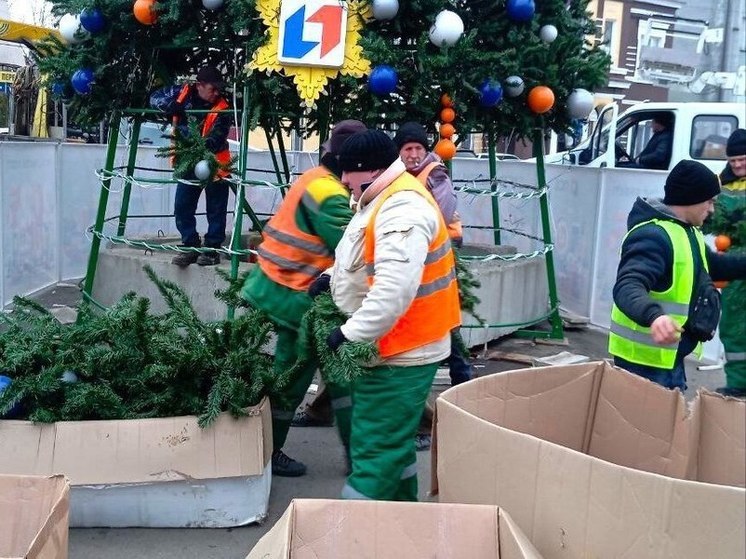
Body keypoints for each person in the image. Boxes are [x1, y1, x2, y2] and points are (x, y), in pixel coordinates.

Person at [324, 129, 461, 501]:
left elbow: (393, 291)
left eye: (346, 173)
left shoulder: (402, 208)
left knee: (374, 454)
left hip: (403, 350)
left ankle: (349, 535)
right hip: (398, 345)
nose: (342, 180)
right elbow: (362, 253)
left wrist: (349, 334)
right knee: (393, 451)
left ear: (366, 171)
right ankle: (403, 522)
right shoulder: (381, 197)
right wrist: (328, 280)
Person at [241, 120, 367, 477]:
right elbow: (352, 252)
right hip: (296, 297)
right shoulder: (331, 197)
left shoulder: (314, 179)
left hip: (286, 291)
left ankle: (357, 458)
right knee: (296, 376)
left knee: (338, 376)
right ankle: (269, 453)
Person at [608, 160, 746, 390]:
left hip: (668, 357)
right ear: (691, 199)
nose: (712, 209)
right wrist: (655, 316)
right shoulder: (654, 236)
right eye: (709, 201)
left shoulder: (685, 231)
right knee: (651, 425)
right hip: (644, 363)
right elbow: (628, 285)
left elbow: (714, 267)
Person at [393, 122, 472, 452]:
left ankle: (462, 389)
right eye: (407, 149)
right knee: (441, 320)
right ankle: (462, 386)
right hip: (422, 250)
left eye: (417, 149)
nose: (413, 155)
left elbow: (442, 211)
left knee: (439, 317)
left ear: (425, 151)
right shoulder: (402, 175)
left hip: (438, 251)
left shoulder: (434, 174)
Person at [150, 65, 232, 267]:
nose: (216, 93)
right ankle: (190, 245)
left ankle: (212, 249)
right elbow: (154, 98)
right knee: (182, 206)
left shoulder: (223, 108)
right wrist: (170, 108)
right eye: (212, 88)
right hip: (187, 162)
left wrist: (198, 147)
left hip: (215, 163)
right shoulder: (182, 93)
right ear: (199, 86)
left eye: (218, 89)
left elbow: (217, 138)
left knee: (216, 208)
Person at [712, 129, 746, 397]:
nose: (737, 165)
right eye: (733, 160)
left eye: (742, 159)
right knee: (733, 326)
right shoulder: (720, 185)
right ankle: (737, 383)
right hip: (733, 263)